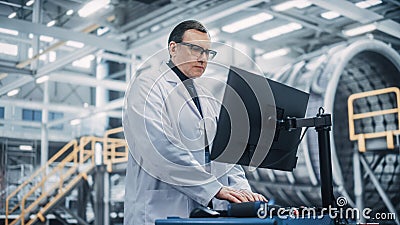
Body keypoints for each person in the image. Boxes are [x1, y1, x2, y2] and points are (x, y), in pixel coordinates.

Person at [123, 20, 267, 225]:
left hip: (201, 213)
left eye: (208, 52)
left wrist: (242, 191)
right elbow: (160, 146)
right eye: (195, 49)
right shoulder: (147, 85)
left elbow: (223, 151)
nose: (203, 58)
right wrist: (214, 189)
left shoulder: (206, 97)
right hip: (157, 210)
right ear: (173, 48)